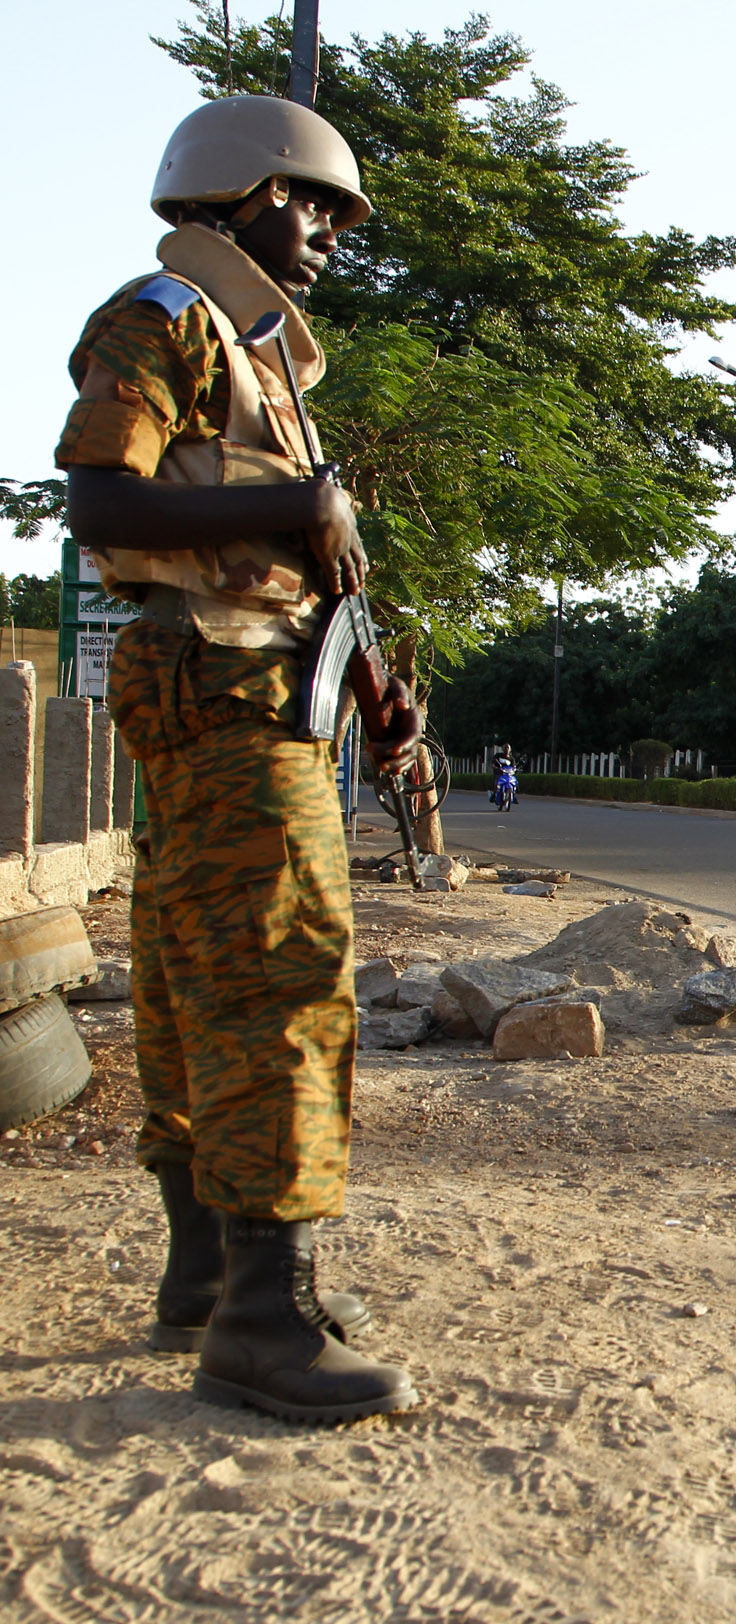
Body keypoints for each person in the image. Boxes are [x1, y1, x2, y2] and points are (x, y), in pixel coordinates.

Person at [59, 95, 421, 1422]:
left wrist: (379, 693)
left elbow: (310, 570)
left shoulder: (260, 358)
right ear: (234, 194)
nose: (327, 231)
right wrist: (292, 503)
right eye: (310, 201)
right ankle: (266, 1318)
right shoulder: (166, 315)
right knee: (277, 976)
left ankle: (209, 1276)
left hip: (259, 682)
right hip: (225, 684)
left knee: (191, 964)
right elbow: (99, 499)